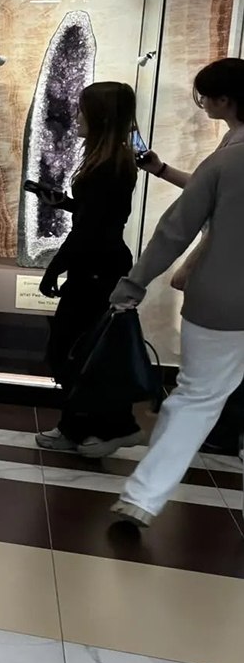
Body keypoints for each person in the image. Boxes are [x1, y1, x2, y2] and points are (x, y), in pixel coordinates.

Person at [108, 134, 244, 527]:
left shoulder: (225, 162)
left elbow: (175, 230)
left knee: (195, 399)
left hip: (220, 298)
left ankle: (141, 498)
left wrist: (135, 282)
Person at [138, 57, 244, 456]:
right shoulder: (232, 142)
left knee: (216, 368)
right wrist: (162, 170)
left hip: (225, 273)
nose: (202, 104)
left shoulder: (237, 147)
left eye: (205, 97)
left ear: (225, 99)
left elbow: (213, 219)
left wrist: (189, 264)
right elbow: (206, 193)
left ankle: (221, 432)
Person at [34, 81, 142, 459]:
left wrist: (54, 268)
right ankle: (83, 426)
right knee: (81, 347)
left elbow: (90, 229)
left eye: (83, 109)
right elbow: (97, 216)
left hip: (97, 267)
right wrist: (65, 203)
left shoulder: (106, 166)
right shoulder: (113, 161)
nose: (77, 116)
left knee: (72, 348)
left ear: (100, 116)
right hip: (100, 263)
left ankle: (100, 426)